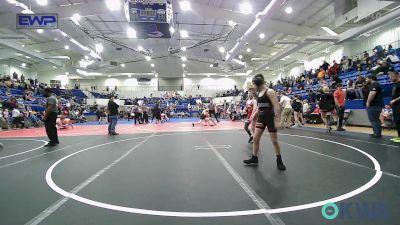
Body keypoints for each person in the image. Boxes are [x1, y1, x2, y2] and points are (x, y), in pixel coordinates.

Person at [243, 74, 286, 171]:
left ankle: (279, 161)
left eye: (254, 87)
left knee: (274, 141)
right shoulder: (259, 93)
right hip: (261, 118)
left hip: (270, 119)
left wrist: (278, 120)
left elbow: (276, 105)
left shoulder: (269, 91)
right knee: (255, 139)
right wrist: (254, 115)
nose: (254, 89)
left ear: (258, 85)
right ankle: (254, 158)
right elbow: (259, 106)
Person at [389, 71, 400, 142]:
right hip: (395, 106)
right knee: (397, 121)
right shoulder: (395, 84)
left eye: (392, 77)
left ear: (397, 76)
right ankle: (399, 137)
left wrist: (395, 100)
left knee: (399, 120)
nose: (390, 78)